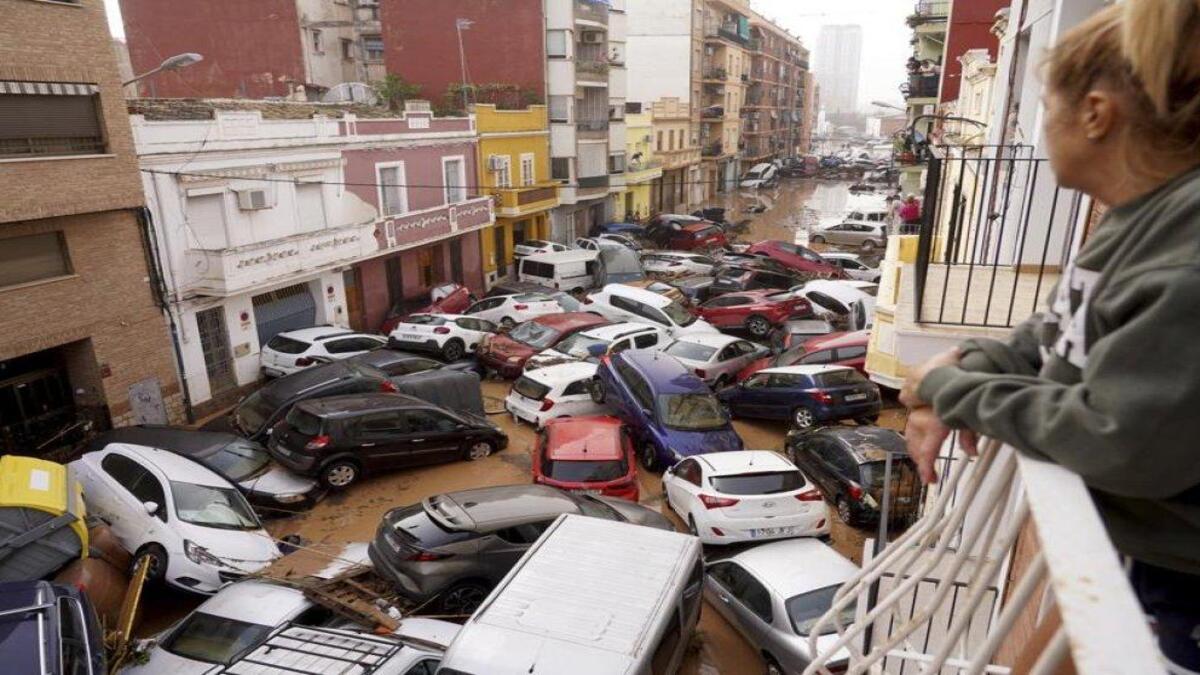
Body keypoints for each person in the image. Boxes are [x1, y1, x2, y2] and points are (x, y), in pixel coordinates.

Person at [899, 1, 1200, 670]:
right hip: (1147, 558)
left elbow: (1119, 438)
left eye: (1044, 103)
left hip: (1186, 597)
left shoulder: (1187, 245)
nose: (1040, 125)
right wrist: (972, 365)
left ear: (1095, 114)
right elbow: (1050, 332)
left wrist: (950, 384)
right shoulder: (1136, 216)